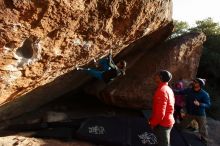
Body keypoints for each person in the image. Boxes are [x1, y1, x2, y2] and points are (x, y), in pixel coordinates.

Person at [174, 78, 211, 145]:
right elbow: (180, 92)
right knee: (183, 124)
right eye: (194, 81)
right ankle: (175, 131)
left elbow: (208, 105)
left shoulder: (204, 94)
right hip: (190, 112)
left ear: (200, 84)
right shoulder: (189, 90)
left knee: (203, 128)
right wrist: (170, 90)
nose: (193, 82)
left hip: (200, 114)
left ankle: (204, 141)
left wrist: (200, 104)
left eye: (195, 82)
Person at [149, 70, 175, 146]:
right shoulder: (168, 89)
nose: (155, 76)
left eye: (157, 75)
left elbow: (160, 114)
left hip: (163, 123)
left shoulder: (162, 91)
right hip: (166, 121)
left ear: (160, 77)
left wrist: (153, 123)